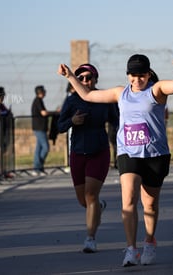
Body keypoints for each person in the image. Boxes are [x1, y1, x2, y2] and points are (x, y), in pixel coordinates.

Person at [57, 54, 173, 267]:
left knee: (150, 204)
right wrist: (70, 77)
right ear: (127, 75)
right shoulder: (121, 93)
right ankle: (131, 249)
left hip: (155, 155)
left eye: (141, 75)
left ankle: (149, 241)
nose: (137, 79)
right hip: (128, 153)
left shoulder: (156, 90)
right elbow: (88, 96)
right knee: (128, 200)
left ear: (148, 74)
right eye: (133, 75)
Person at [57, 63, 117, 254]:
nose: (85, 81)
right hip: (77, 153)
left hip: (98, 151)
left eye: (88, 78)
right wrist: (71, 122)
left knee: (91, 195)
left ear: (95, 79)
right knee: (84, 201)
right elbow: (59, 127)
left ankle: (90, 238)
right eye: (81, 78)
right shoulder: (71, 101)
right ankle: (98, 207)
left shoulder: (105, 99)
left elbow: (118, 121)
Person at [31, 85, 52, 176]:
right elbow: (43, 113)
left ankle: (38, 168)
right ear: (40, 92)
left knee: (38, 149)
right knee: (46, 147)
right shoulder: (37, 101)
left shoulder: (40, 101)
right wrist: (55, 112)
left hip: (41, 128)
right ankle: (38, 167)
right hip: (39, 128)